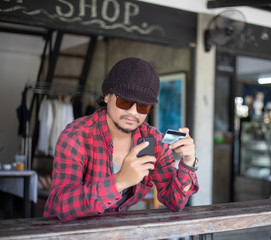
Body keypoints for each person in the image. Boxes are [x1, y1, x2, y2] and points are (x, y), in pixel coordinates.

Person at [44, 57, 199, 221]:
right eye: (125, 101)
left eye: (143, 106)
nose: (133, 112)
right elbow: (60, 205)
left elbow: (175, 201)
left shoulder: (152, 140)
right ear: (107, 96)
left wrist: (188, 163)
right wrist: (119, 181)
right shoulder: (77, 136)